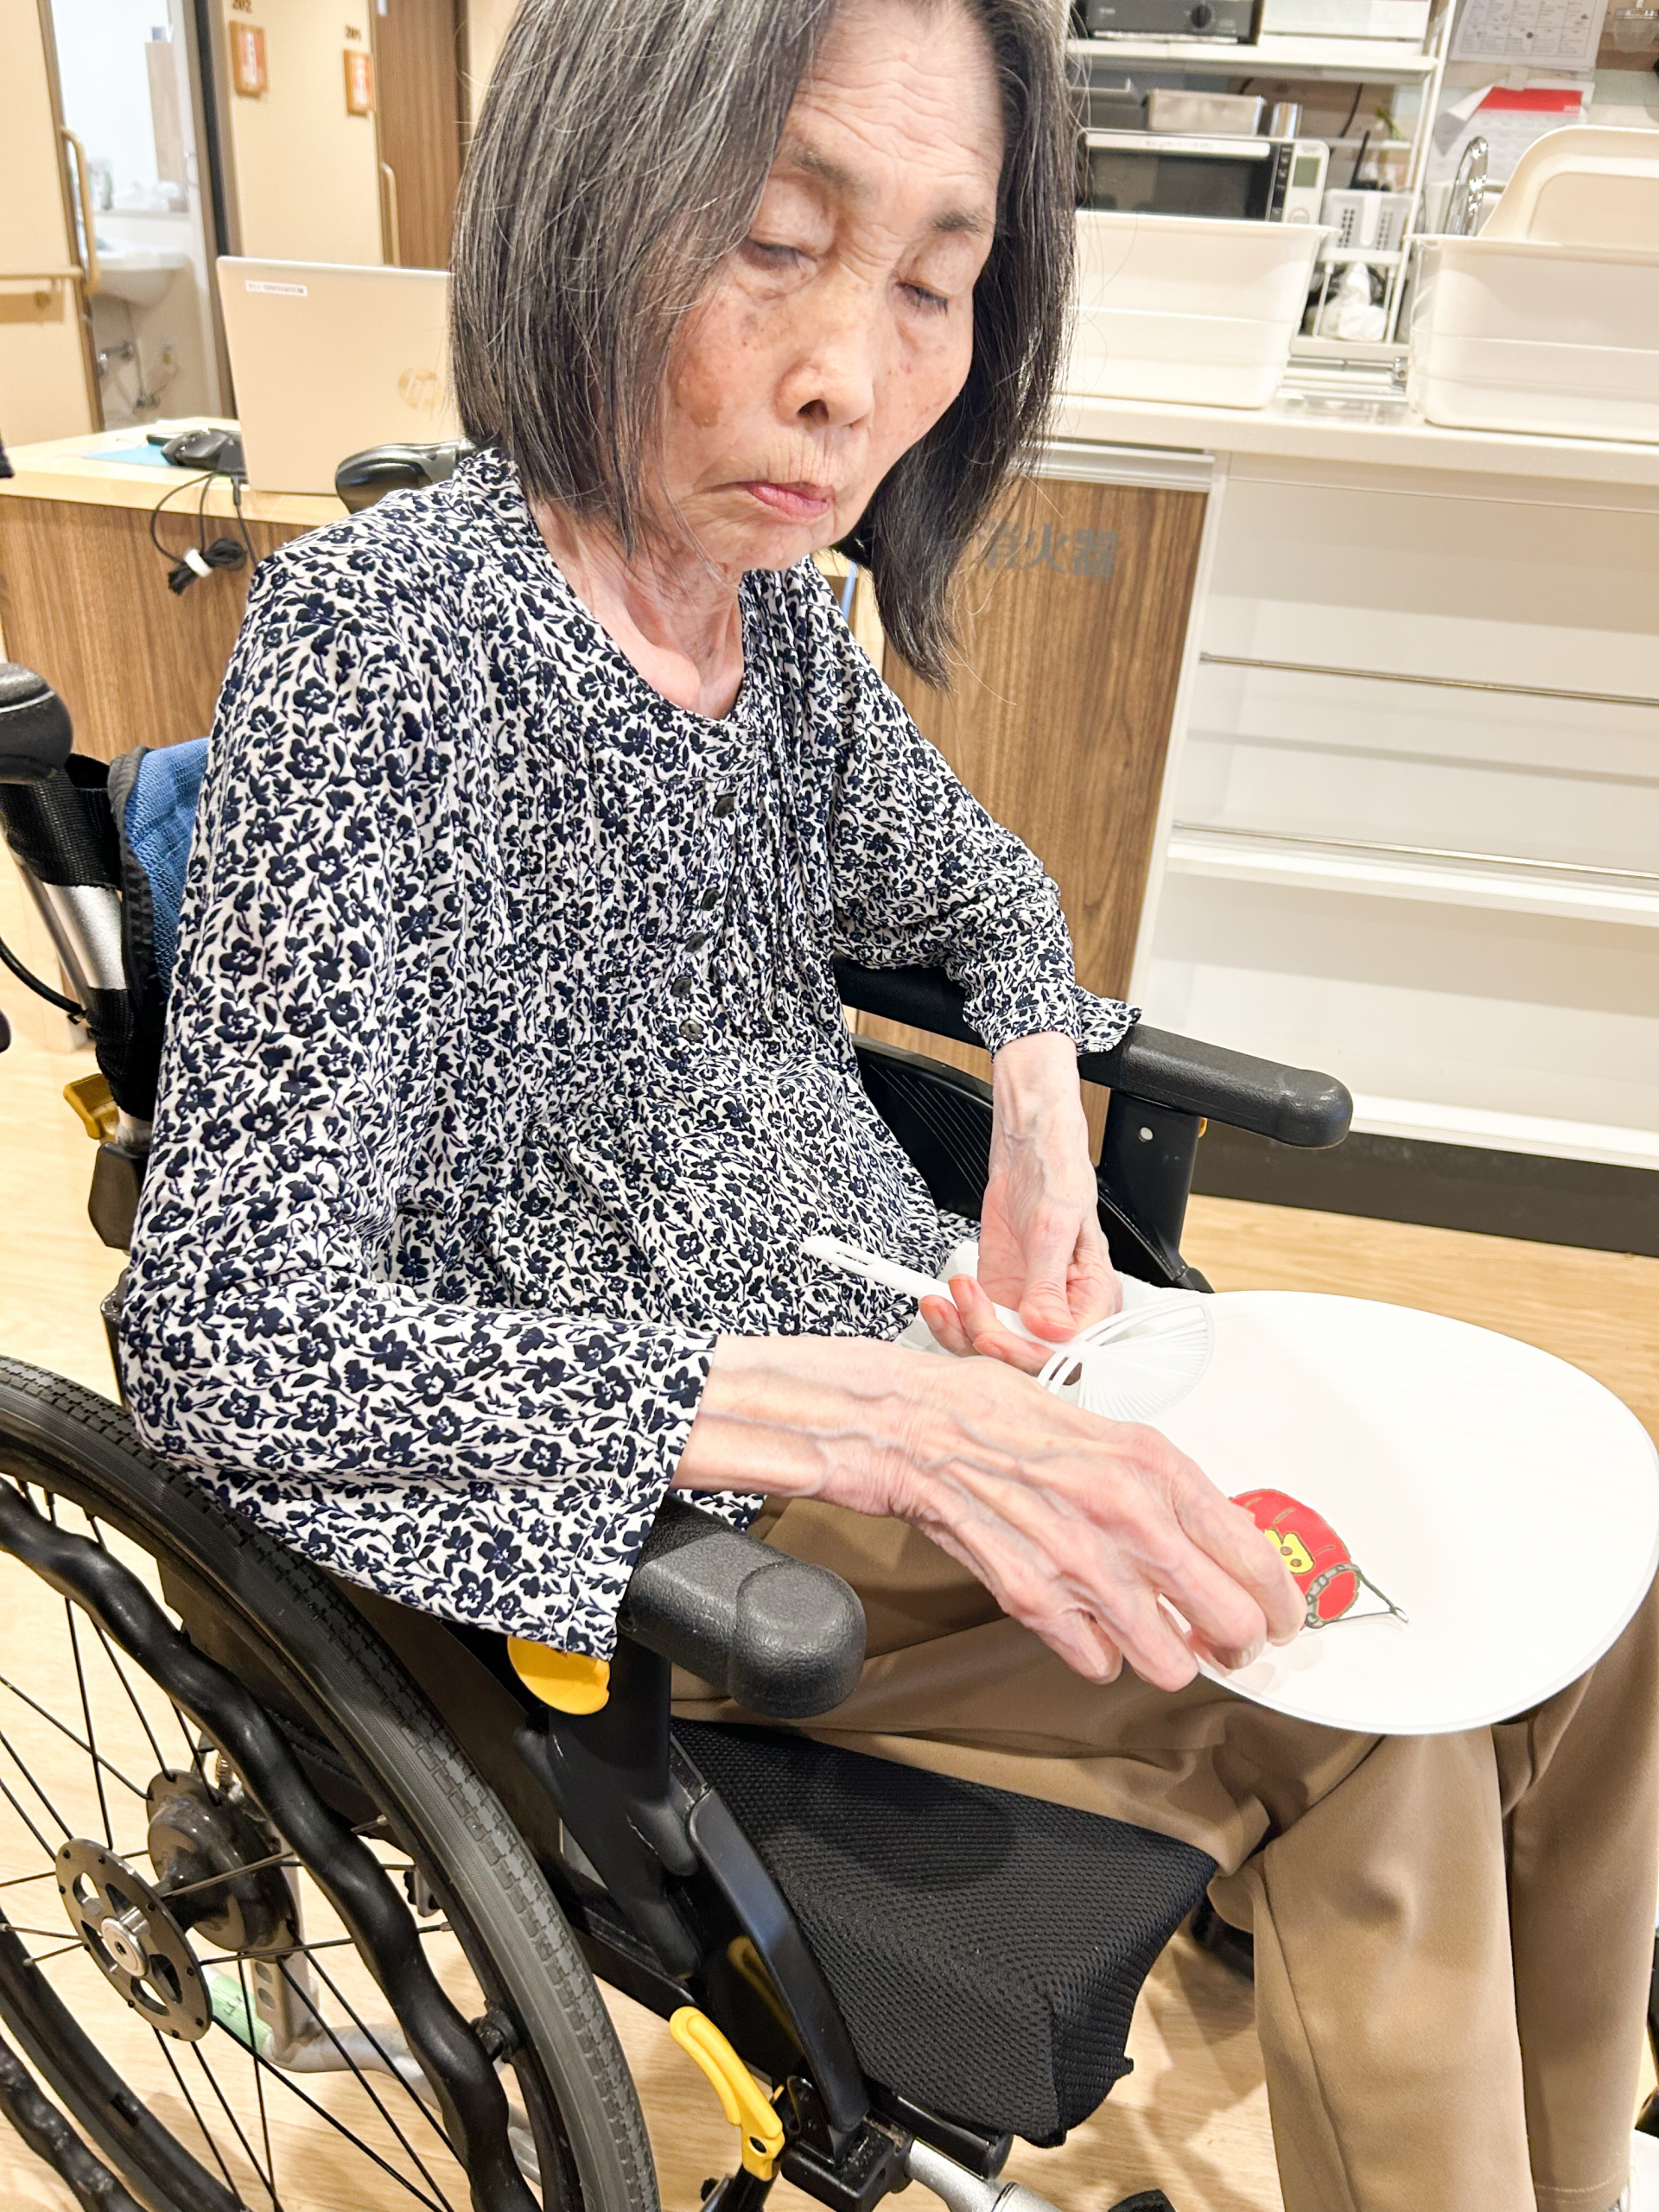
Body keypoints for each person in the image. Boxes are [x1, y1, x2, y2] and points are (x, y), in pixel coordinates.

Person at [120, 2, 1659, 2207]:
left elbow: (981, 883)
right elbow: (226, 1331)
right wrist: (878, 1422)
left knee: (1595, 1598)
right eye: (773, 240)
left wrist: (1035, 1104)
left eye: (936, 281)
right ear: (588, 197)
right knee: (1366, 1717)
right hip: (678, 1537)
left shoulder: (770, 627)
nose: (851, 372)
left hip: (924, 1376)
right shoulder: (385, 643)